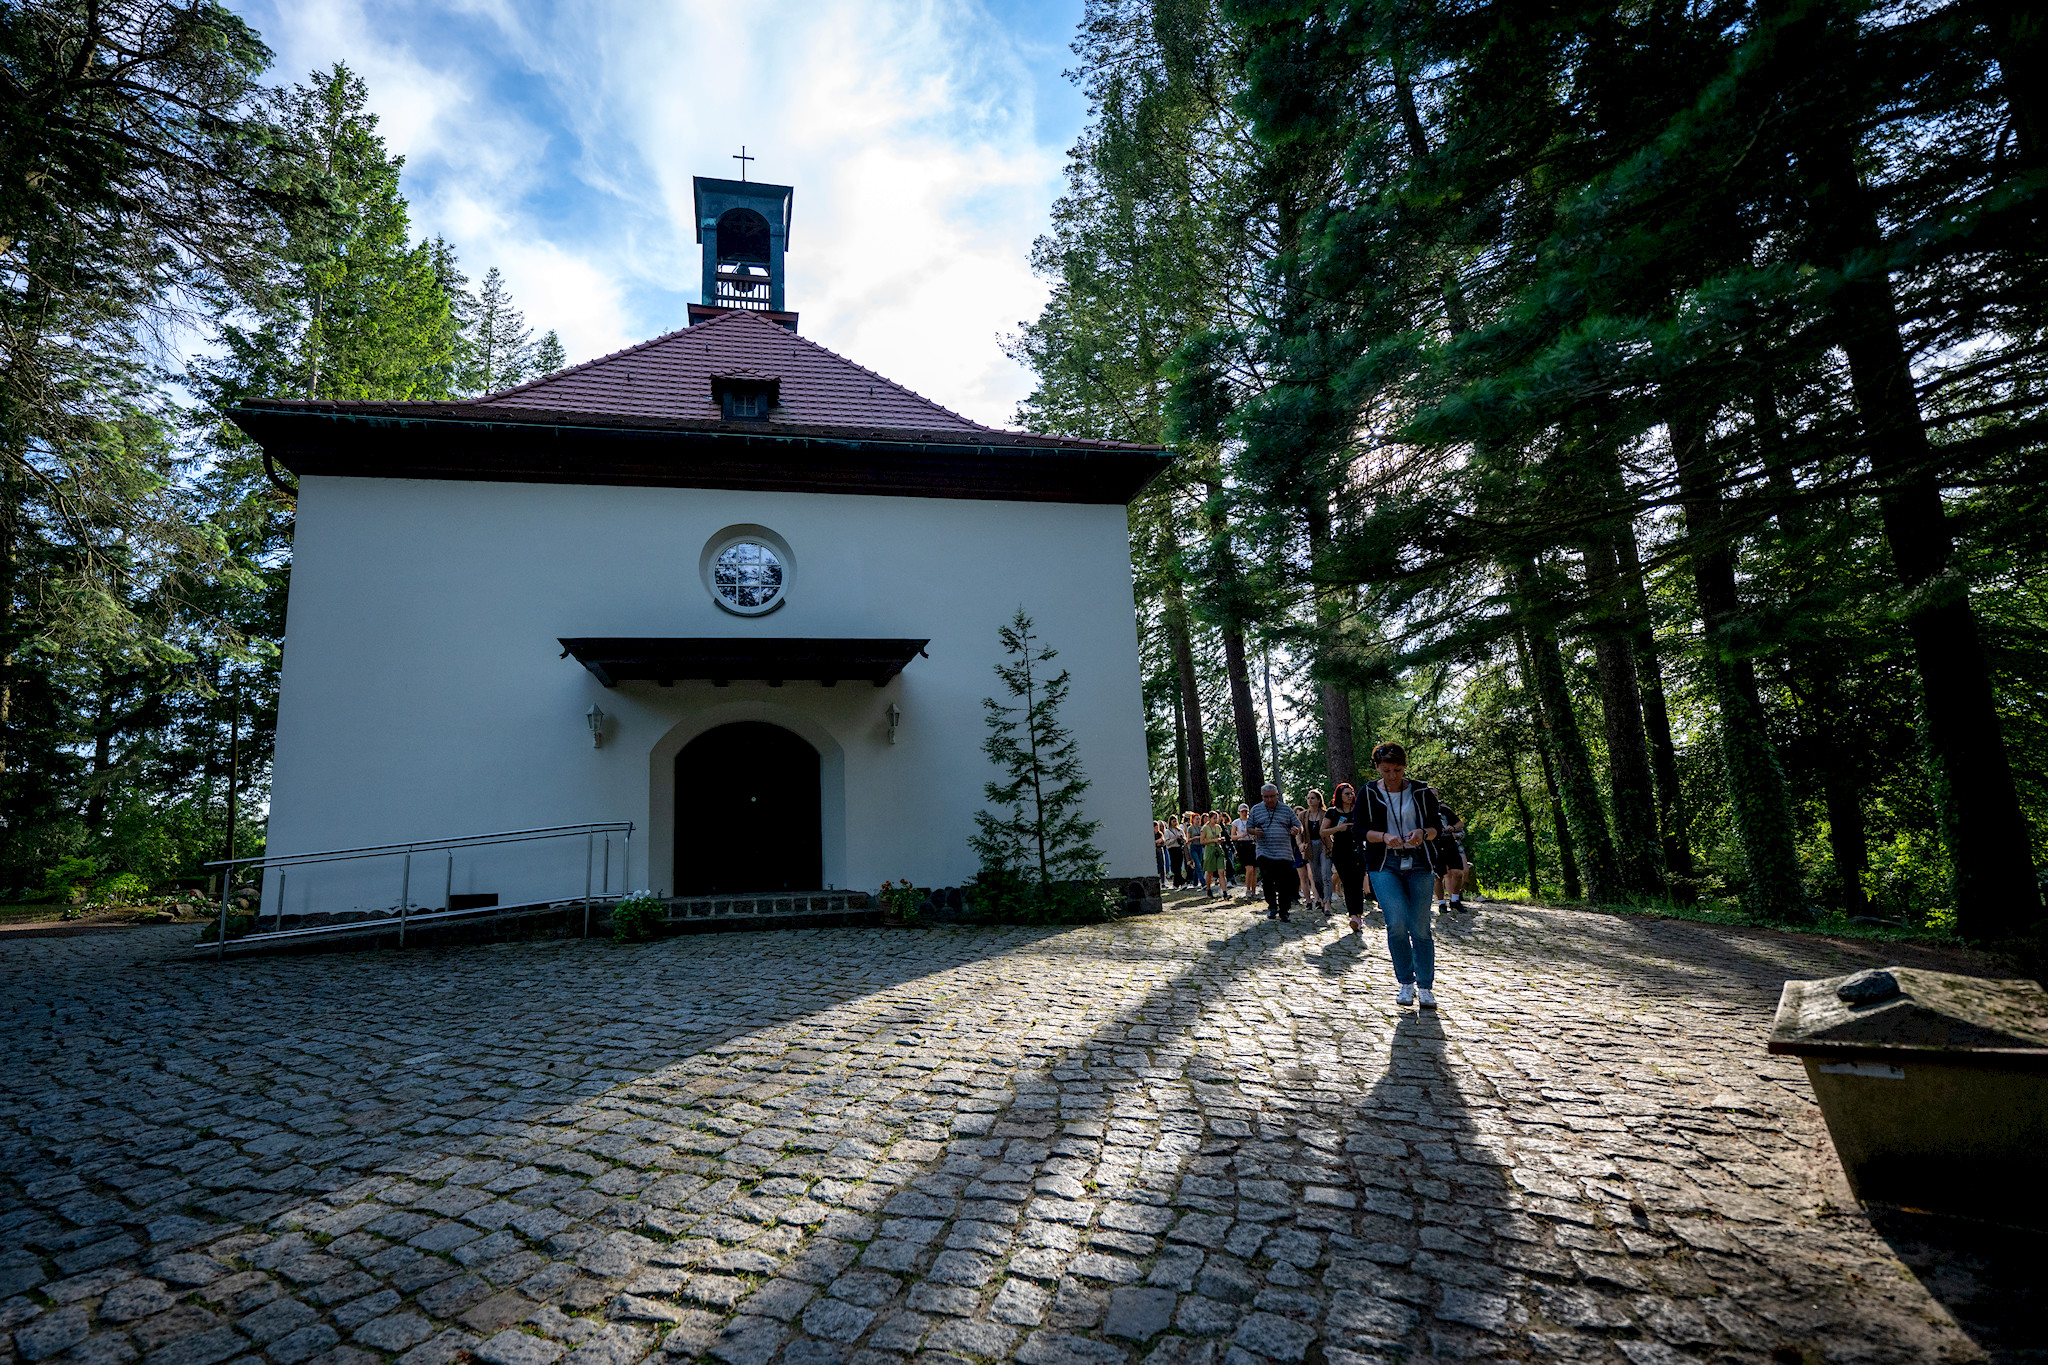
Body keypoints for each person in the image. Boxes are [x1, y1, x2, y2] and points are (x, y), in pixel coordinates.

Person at [1359, 741, 1447, 1008]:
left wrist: (1423, 833)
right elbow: (1359, 830)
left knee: (1420, 926)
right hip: (1384, 864)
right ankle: (1406, 982)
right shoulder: (1368, 792)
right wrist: (1384, 837)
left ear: (1405, 767)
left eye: (1397, 770)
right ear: (1377, 767)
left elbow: (1437, 827)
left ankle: (1426, 986)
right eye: (1386, 770)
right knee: (1396, 923)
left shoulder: (1421, 791)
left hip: (1419, 862)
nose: (1392, 776)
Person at [1246, 784, 1301, 922]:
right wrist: (1254, 831)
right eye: (1266, 797)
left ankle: (1284, 910)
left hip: (1284, 852)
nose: (1269, 800)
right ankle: (1272, 906)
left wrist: (1296, 830)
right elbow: (1248, 827)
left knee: (1284, 883)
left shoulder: (1286, 809)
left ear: (1277, 795)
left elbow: (1299, 825)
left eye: (1272, 796)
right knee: (1268, 880)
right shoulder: (1256, 810)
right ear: (1262, 797)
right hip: (1264, 851)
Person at [1324, 782, 1368, 931]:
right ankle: (1353, 916)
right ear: (1339, 796)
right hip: (1341, 851)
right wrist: (1338, 828)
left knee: (1358, 883)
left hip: (1358, 849)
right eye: (1347, 794)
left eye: (1352, 793)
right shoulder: (1332, 812)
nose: (1350, 796)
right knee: (1348, 884)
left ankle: (1358, 916)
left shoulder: (1358, 810)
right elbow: (1322, 832)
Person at [1434, 802, 1470, 912]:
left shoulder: (1445, 810)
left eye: (1436, 795)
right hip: (1435, 846)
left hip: (1451, 845)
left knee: (1458, 872)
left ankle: (1454, 900)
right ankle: (1441, 903)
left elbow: (1460, 824)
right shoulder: (1423, 810)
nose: (1434, 796)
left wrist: (1453, 828)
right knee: (1438, 877)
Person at [1303, 789, 1332, 914]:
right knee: (1316, 877)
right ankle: (1321, 898)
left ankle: (1327, 903)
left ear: (1319, 800)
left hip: (1324, 846)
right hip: (1310, 847)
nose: (1310, 800)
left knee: (1326, 875)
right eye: (1308, 798)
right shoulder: (1303, 815)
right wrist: (1300, 844)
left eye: (1313, 798)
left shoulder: (1325, 814)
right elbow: (1300, 833)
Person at [1232, 805, 1259, 903]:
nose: (1244, 813)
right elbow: (1232, 836)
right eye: (1242, 811)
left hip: (1252, 844)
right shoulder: (1236, 822)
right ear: (1239, 812)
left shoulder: (1252, 821)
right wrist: (1241, 836)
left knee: (1254, 870)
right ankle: (1248, 890)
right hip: (1242, 845)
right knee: (1249, 868)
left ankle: (1254, 891)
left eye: (1246, 811)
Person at [1200, 812, 1228, 899]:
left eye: (1217, 818)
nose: (1216, 820)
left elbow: (1221, 837)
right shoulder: (1205, 828)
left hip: (1218, 849)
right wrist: (1213, 840)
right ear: (1209, 818)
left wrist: (1221, 839)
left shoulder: (1218, 827)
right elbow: (1202, 841)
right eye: (1214, 818)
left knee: (1221, 871)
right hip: (1210, 850)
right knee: (1210, 872)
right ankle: (1209, 889)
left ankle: (1225, 892)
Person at [1163, 816, 1188, 889]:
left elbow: (1185, 840)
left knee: (1179, 866)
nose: (1175, 823)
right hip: (1172, 849)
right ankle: (1182, 882)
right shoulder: (1167, 831)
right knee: (1175, 867)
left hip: (1179, 848)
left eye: (1176, 821)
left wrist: (1181, 838)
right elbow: (1167, 843)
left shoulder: (1180, 830)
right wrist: (1174, 838)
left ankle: (1176, 884)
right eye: (1173, 821)